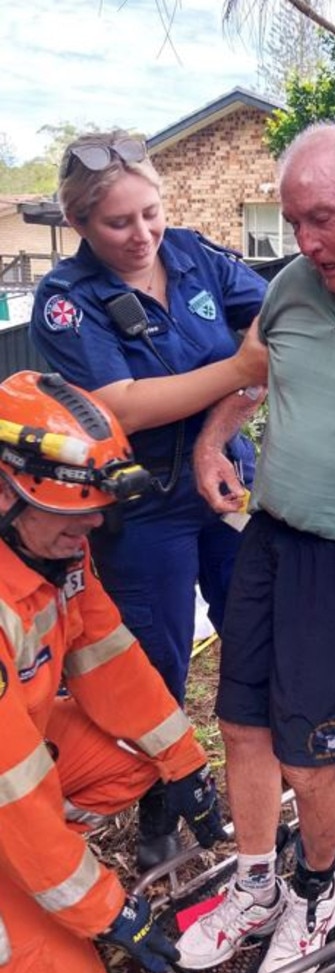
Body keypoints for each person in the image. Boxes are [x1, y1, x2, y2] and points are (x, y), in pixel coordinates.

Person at [174, 123, 335, 973]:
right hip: (273, 538)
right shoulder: (292, 285)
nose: (305, 242)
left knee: (308, 751)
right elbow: (253, 370)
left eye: (321, 219)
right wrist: (214, 444)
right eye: (293, 223)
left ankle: (317, 892)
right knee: (240, 723)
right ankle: (255, 884)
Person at [29, 130, 267, 869]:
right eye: (119, 223)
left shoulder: (193, 252)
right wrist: (239, 365)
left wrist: (217, 425)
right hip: (143, 510)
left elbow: (278, 319)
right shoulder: (67, 301)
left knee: (257, 634)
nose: (143, 236)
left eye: (152, 213)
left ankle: (267, 777)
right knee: (154, 662)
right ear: (80, 226)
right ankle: (165, 804)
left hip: (224, 479)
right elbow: (122, 406)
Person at [0, 369, 224, 973]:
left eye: (96, 513)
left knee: (134, 762)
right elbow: (11, 790)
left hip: (18, 761)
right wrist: (105, 908)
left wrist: (184, 765)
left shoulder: (48, 547)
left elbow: (107, 656)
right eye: (73, 516)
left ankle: (35, 875)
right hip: (6, 788)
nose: (91, 531)